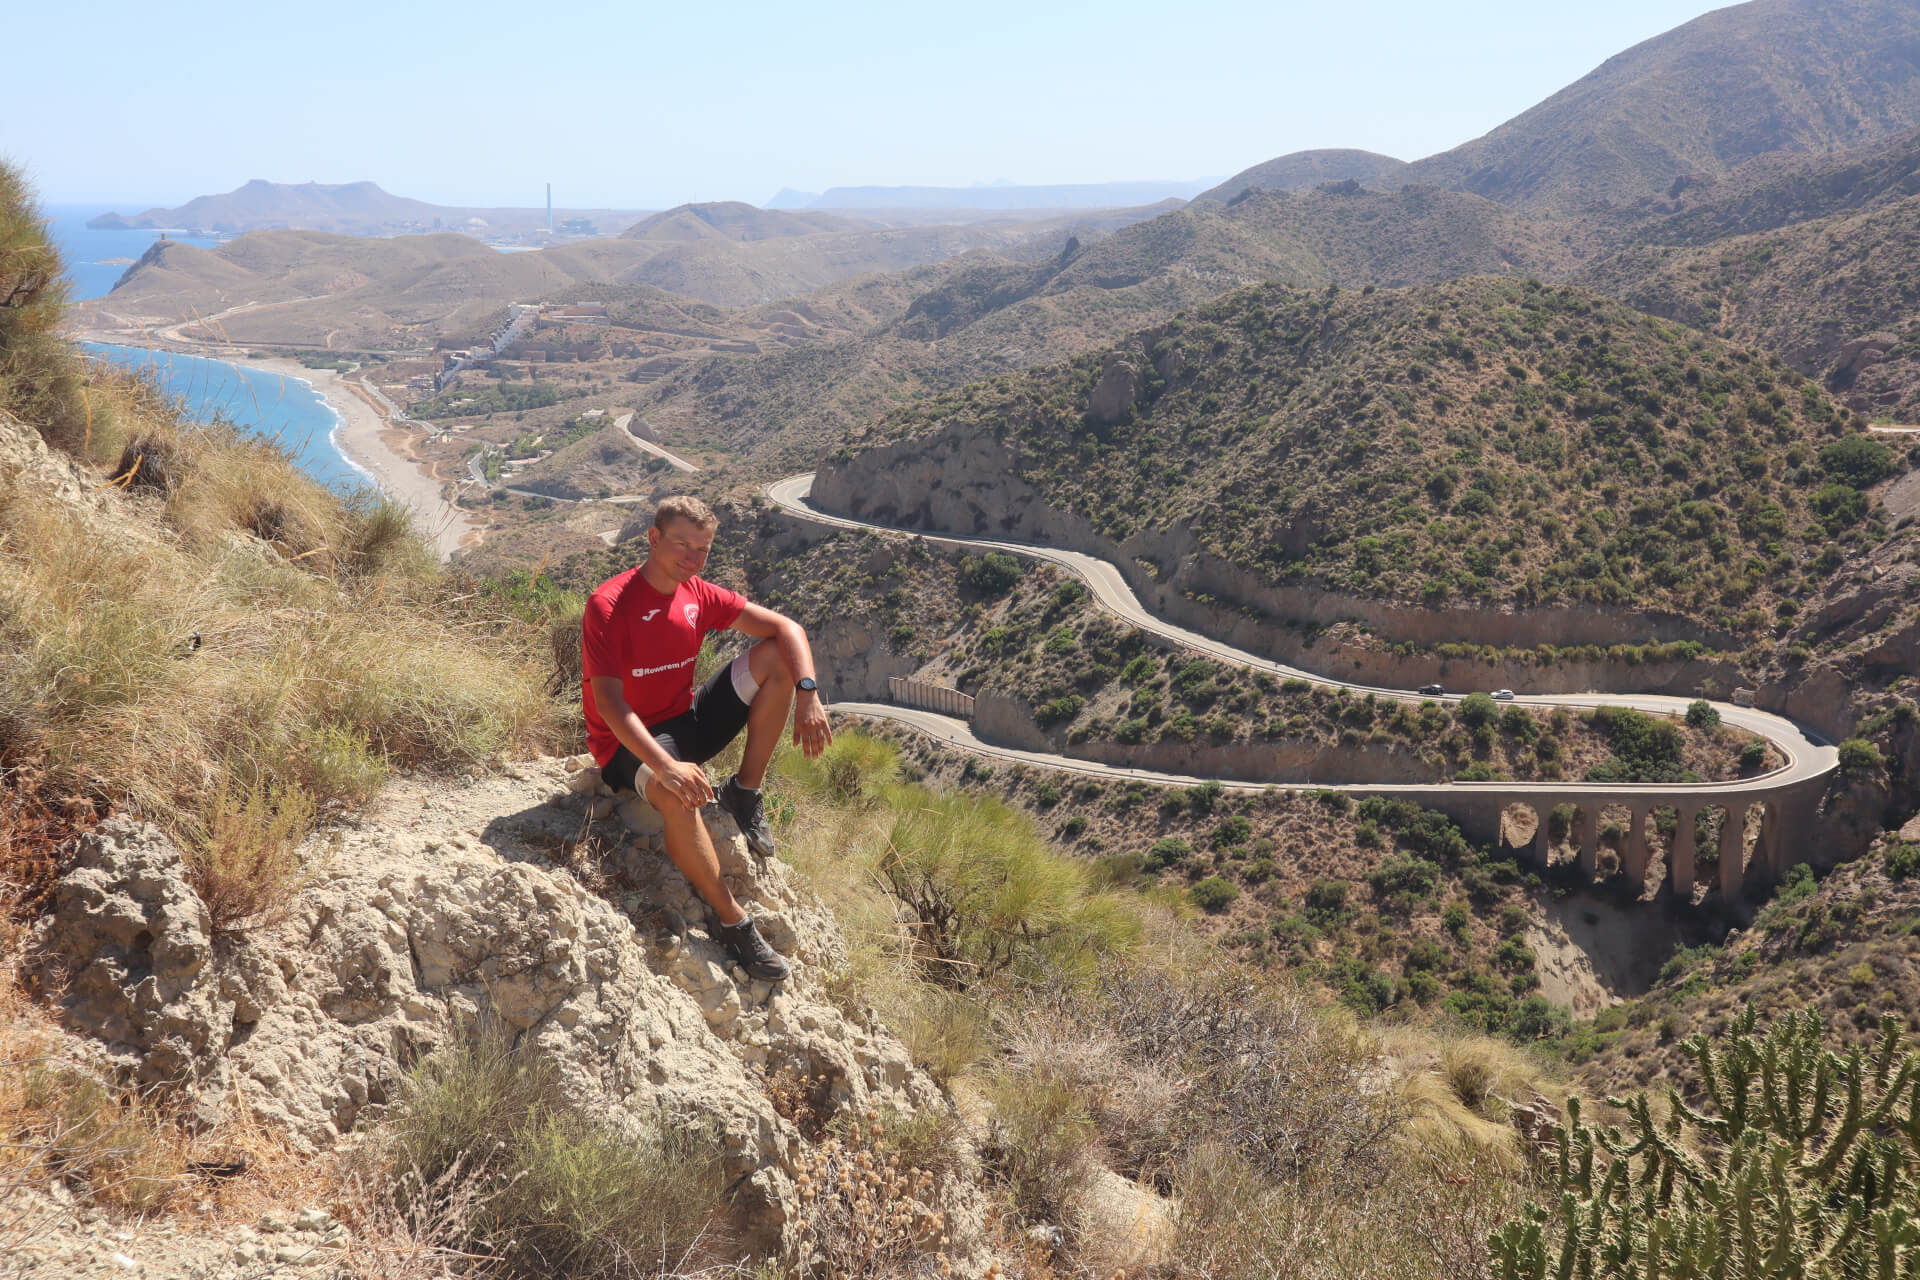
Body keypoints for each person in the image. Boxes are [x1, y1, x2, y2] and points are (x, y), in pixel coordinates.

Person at [581, 495, 831, 981]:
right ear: (654, 539)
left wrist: (808, 692)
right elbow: (611, 704)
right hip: (628, 743)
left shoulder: (697, 592)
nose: (692, 559)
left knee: (777, 656)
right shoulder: (609, 605)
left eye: (703, 549)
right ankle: (732, 920)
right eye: (681, 545)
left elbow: (787, 628)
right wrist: (667, 767)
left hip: (685, 718)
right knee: (679, 797)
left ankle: (745, 791)